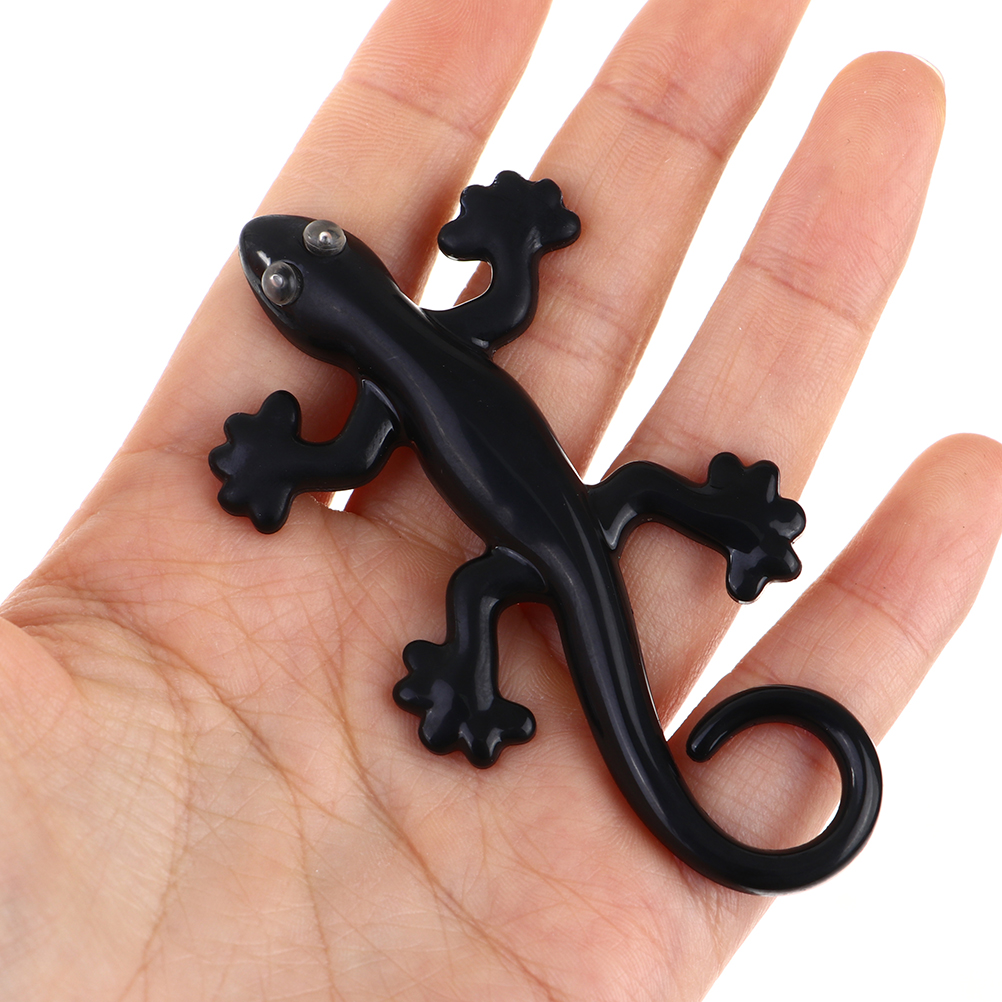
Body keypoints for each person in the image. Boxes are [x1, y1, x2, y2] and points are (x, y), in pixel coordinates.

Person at [2, 0, 998, 998]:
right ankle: (720, 533)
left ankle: (469, 689)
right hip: (573, 528)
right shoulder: (438, 343)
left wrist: (276, 465)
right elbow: (504, 307)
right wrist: (516, 239)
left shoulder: (393, 390)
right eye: (285, 282)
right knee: (631, 496)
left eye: (309, 248)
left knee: (493, 581)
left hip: (546, 549)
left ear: (356, 268)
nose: (279, 254)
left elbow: (341, 462)